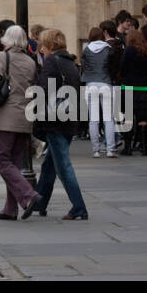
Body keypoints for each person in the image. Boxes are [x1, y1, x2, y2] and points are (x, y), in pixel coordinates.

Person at [0, 24, 40, 220]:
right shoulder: (30, 61)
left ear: (7, 39)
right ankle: (10, 209)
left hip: (5, 118)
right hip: (25, 117)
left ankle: (28, 195)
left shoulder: (1, 57)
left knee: (2, 161)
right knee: (14, 163)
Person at [28, 28, 89, 220]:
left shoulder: (52, 62)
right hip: (69, 119)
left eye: (42, 45)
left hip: (55, 121)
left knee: (63, 166)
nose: (40, 49)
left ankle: (79, 207)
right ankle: (40, 203)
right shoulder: (69, 62)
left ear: (48, 45)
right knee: (49, 165)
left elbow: (44, 90)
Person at [80, 26, 119, 158]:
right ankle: (110, 149)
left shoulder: (86, 50)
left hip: (91, 84)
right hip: (105, 83)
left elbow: (83, 67)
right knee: (108, 119)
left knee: (93, 119)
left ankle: (95, 150)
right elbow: (113, 68)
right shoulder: (109, 49)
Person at [118, 28, 147, 155]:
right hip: (144, 89)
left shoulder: (128, 50)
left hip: (128, 88)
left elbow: (122, 68)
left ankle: (127, 147)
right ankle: (144, 147)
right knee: (142, 119)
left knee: (127, 119)